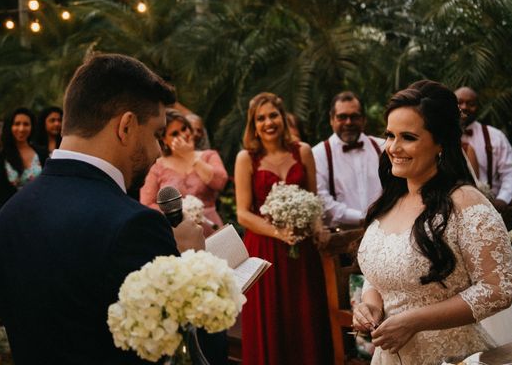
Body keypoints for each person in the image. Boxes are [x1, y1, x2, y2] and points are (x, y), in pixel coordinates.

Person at [0, 53, 204, 364]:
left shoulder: (10, 214)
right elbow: (183, 355)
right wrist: (192, 265)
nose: (158, 150)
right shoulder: (134, 226)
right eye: (156, 134)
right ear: (126, 126)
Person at [354, 80, 512, 365]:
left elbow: (497, 290)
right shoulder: (390, 201)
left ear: (440, 143)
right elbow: (384, 270)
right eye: (390, 135)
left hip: (451, 357)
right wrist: (371, 305)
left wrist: (414, 321)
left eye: (408, 137)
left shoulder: (466, 203)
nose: (393, 147)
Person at [234, 92, 332, 365]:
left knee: (305, 316)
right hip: (264, 250)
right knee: (271, 318)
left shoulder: (302, 151)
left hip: (302, 251)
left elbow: (314, 199)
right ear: (253, 125)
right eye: (260, 118)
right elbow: (242, 213)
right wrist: (279, 233)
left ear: (283, 117)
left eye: (273, 115)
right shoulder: (246, 158)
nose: (268, 123)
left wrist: (317, 227)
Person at [140, 109, 228, 236]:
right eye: (175, 133)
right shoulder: (157, 166)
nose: (183, 135)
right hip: (177, 231)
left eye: (184, 128)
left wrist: (190, 157)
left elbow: (220, 183)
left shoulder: (208, 156)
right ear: (164, 139)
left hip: (211, 228)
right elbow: (147, 204)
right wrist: (177, 212)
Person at [312, 91, 384, 227]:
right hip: (341, 238)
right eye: (342, 117)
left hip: (385, 230)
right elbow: (322, 200)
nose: (348, 122)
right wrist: (362, 218)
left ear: (364, 119)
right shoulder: (318, 154)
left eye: (354, 117)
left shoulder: (383, 147)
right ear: (331, 119)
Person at [455, 87, 512, 212]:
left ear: (478, 107)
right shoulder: (437, 137)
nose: (464, 107)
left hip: (490, 209)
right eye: (459, 102)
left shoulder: (495, 136)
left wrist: (503, 199)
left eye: (471, 104)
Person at [0, 107, 48, 208]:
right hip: (9, 214)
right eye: (17, 124)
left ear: (32, 126)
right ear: (9, 126)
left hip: (39, 210)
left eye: (26, 124)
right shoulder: (1, 157)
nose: (21, 129)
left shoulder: (42, 153)